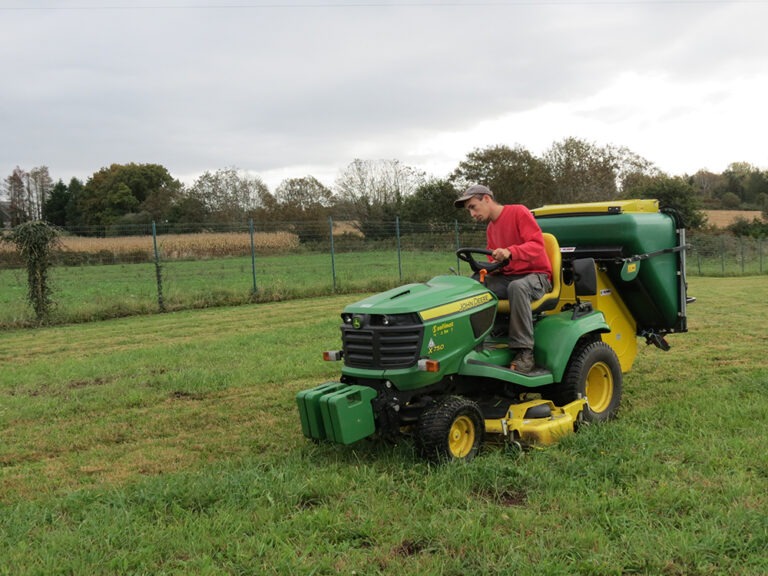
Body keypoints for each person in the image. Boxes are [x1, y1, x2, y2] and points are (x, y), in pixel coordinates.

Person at [454, 184, 552, 373]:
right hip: (509, 276)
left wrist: (510, 251)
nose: (472, 214)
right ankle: (472, 341)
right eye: (469, 211)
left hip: (536, 276)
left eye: (473, 207)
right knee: (473, 284)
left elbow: (537, 245)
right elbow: (496, 263)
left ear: (487, 199)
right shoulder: (491, 229)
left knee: (517, 287)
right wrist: (485, 269)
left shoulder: (518, 212)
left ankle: (524, 352)